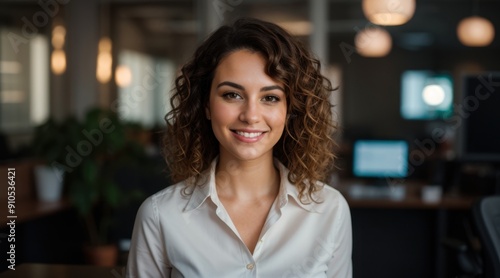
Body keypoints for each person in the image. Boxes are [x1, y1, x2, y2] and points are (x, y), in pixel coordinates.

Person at [126, 17, 352, 278]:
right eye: (232, 95)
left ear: (290, 110)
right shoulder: (160, 216)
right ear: (206, 105)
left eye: (270, 98)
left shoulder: (330, 209)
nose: (251, 115)